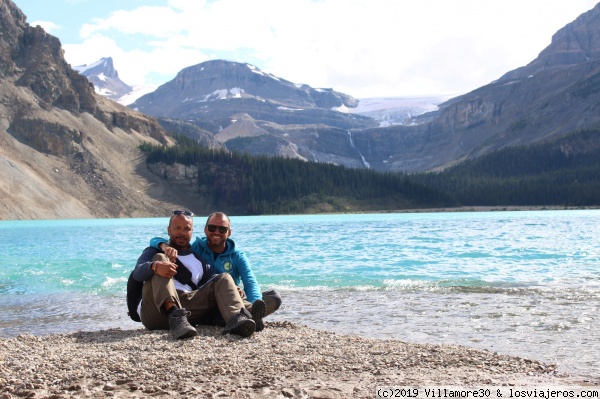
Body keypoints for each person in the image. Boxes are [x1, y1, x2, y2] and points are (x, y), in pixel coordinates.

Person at [128, 210, 262, 339]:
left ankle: (238, 319)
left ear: (192, 232)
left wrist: (231, 290)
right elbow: (137, 274)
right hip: (154, 311)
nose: (182, 232)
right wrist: (155, 266)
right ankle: (174, 315)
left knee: (224, 277)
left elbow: (213, 288)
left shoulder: (200, 261)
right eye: (177, 228)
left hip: (186, 311)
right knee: (160, 258)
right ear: (169, 230)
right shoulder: (153, 251)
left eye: (186, 229)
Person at [150, 212, 281, 331]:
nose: (216, 232)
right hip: (204, 300)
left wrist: (253, 302)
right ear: (205, 230)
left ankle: (247, 314)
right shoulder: (195, 249)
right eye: (212, 228)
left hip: (231, 301)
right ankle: (243, 316)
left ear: (229, 233)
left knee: (274, 297)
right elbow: (156, 240)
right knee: (223, 282)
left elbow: (250, 282)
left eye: (222, 229)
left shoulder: (237, 256)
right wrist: (163, 245)